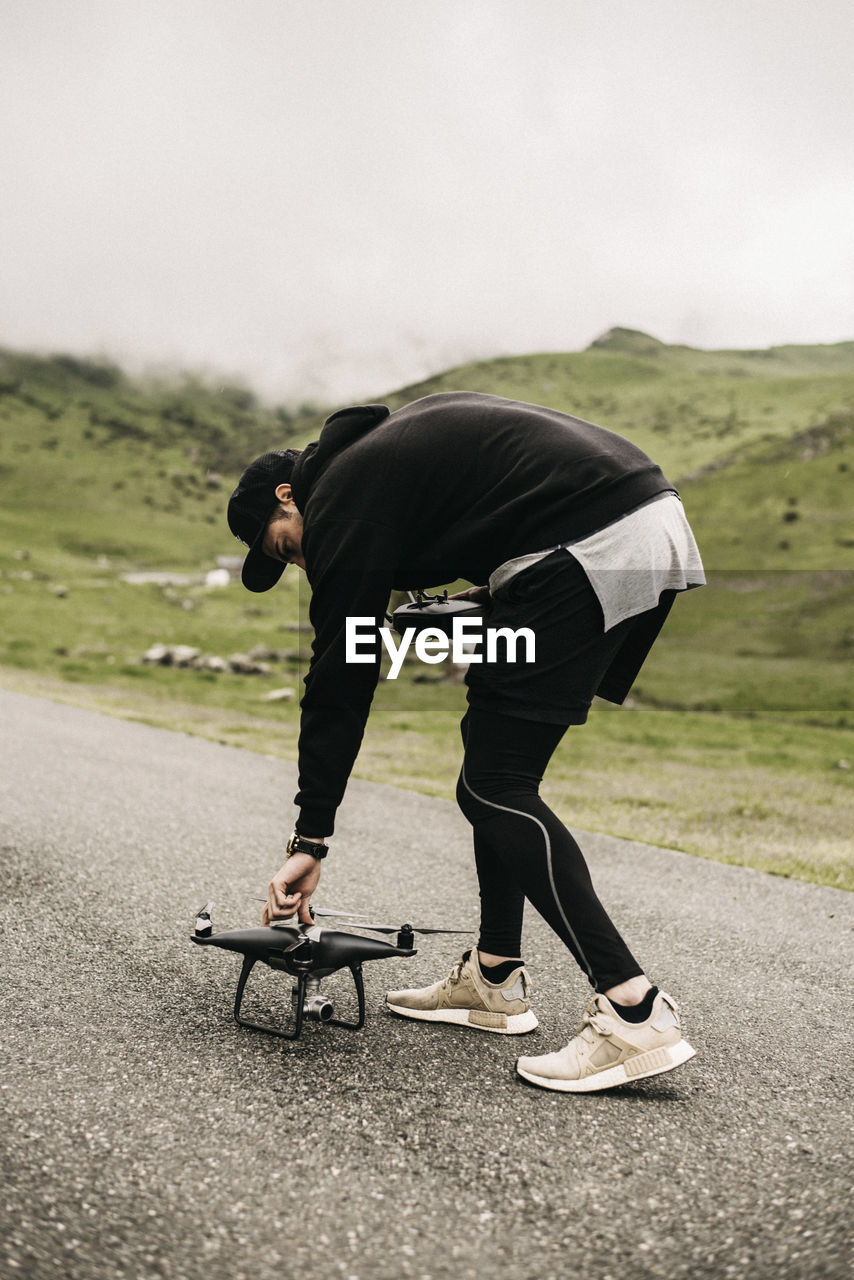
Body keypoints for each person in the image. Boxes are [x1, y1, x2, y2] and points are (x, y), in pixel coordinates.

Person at [227, 391, 705, 1092]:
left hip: (592, 540)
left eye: (285, 546)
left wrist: (311, 839)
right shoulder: (370, 466)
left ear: (288, 497)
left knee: (493, 784)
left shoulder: (340, 500)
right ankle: (493, 978)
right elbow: (510, 498)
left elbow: (338, 679)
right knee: (494, 761)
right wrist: (484, 602)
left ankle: (633, 1012)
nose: (304, 563)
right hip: (640, 524)